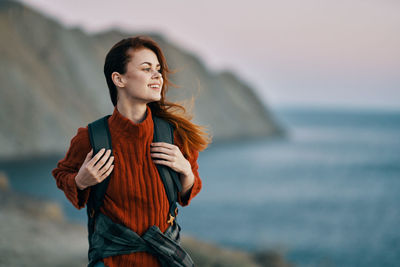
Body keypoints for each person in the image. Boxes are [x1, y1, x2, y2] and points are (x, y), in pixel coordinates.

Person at [52, 36, 211, 267]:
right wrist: (80, 181)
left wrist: (186, 172)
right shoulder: (91, 137)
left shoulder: (175, 135)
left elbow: (186, 193)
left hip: (164, 259)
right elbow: (61, 174)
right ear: (119, 79)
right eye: (146, 69)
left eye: (158, 69)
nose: (157, 76)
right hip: (110, 262)